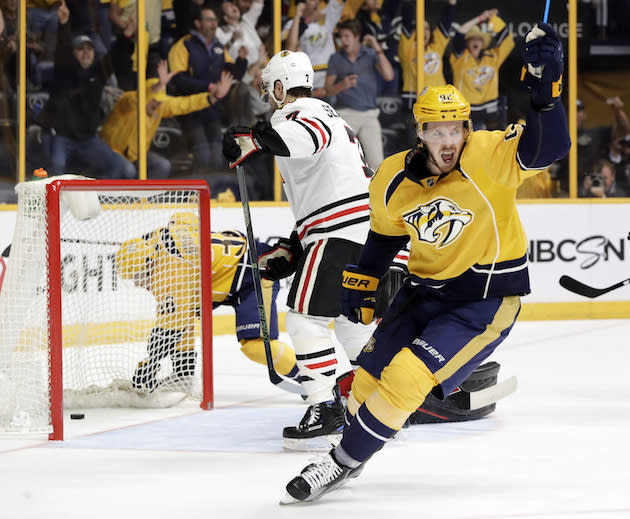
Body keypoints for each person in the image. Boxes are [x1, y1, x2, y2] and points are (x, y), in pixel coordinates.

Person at [281, 21, 571, 502]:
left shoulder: (490, 156)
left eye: (456, 127)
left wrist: (545, 96)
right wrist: (360, 285)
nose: (449, 139)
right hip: (422, 295)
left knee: (406, 378)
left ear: (467, 128)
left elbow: (550, 148)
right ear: (421, 132)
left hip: (483, 301)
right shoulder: (394, 176)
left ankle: (339, 463)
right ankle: (355, 445)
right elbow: (382, 238)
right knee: (364, 383)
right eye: (437, 129)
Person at [222, 50, 376, 450]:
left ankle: (324, 405)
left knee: (305, 321)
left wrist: (253, 140)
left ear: (279, 86)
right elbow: (325, 187)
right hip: (359, 230)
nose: (268, 96)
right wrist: (294, 246)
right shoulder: (329, 114)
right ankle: (383, 397)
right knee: (350, 325)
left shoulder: (302, 113)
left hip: (339, 231)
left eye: (269, 87)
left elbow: (305, 142)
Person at [114, 212, 299, 393]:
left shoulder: (169, 275)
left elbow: (171, 326)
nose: (137, 283)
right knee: (186, 310)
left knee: (256, 346)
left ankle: (310, 376)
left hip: (255, 273)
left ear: (149, 263)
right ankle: (183, 373)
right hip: (231, 267)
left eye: (138, 276)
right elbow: (185, 218)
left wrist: (150, 363)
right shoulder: (157, 238)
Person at [38, 1, 136, 179]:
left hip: (87, 140)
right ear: (74, 53)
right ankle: (56, 205)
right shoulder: (64, 70)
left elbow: (113, 58)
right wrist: (63, 24)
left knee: (122, 168)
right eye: (80, 49)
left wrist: (126, 35)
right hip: (62, 137)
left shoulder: (98, 73)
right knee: (55, 171)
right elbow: (62, 48)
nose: (86, 53)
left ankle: (98, 202)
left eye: (89, 49)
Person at [100, 59, 233, 179]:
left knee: (162, 165)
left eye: (159, 101)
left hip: (135, 157)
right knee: (127, 170)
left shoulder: (161, 107)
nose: (156, 104)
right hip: (110, 152)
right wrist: (156, 87)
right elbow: (133, 101)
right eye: (153, 100)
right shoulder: (129, 101)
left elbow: (184, 104)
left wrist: (212, 97)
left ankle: (146, 202)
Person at [168, 3, 247, 171]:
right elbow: (178, 81)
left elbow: (232, 74)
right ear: (198, 23)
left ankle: (215, 195)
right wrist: (210, 86)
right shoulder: (183, 46)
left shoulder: (218, 46)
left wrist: (241, 61)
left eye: (215, 20)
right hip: (190, 111)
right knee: (203, 155)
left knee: (218, 155)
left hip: (212, 109)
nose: (214, 24)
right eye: (209, 20)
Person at [325, 18, 394, 171]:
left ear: (357, 37)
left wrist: (376, 47)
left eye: (346, 36)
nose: (342, 40)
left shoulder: (370, 54)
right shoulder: (336, 58)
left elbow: (389, 75)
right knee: (340, 159)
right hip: (345, 114)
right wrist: (342, 85)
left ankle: (377, 195)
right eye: (341, 36)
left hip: (369, 114)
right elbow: (328, 90)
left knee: (377, 162)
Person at [449, 8, 514, 130]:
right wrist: (481, 18)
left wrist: (494, 19)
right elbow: (460, 32)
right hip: (465, 113)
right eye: (472, 39)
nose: (475, 41)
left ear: (483, 43)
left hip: (489, 114)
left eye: (478, 39)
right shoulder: (459, 59)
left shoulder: (492, 57)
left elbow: (508, 42)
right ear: (467, 43)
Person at [399, 0, 457, 110]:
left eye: (426, 29)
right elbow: (406, 23)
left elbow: (446, 23)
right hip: (414, 97)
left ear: (430, 32)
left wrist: (451, 5)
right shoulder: (408, 48)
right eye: (419, 28)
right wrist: (407, 4)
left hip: (438, 98)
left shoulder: (436, 46)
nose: (423, 32)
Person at [282, 0, 346, 97]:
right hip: (310, 81)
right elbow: (289, 47)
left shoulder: (326, 17)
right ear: (302, 4)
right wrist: (307, 21)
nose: (316, 2)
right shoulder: (292, 23)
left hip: (331, 78)